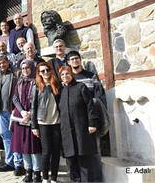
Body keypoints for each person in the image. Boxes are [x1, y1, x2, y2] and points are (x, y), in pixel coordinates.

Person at [66, 51, 106, 182]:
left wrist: (94, 120)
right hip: (76, 124)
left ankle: (97, 179)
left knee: (94, 152)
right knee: (79, 153)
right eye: (72, 59)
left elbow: (99, 97)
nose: (75, 61)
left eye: (76, 58)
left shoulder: (91, 76)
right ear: (68, 62)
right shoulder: (69, 79)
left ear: (80, 59)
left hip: (90, 121)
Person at [59, 66, 98, 182]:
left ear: (72, 74)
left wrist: (92, 123)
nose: (65, 76)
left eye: (67, 74)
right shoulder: (61, 91)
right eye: (62, 74)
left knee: (83, 159)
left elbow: (90, 106)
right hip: (66, 131)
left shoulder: (81, 87)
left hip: (81, 129)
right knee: (71, 160)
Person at [12, 60, 42, 181]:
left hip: (33, 116)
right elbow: (15, 98)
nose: (25, 70)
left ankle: (37, 172)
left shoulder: (37, 81)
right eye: (23, 68)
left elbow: (40, 99)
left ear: (32, 68)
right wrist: (23, 111)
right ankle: (28, 171)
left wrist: (30, 113)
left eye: (27, 67)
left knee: (33, 146)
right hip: (21, 117)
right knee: (23, 146)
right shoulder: (19, 82)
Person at [0, 55, 23, 174]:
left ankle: (19, 164)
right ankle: (10, 162)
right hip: (1, 111)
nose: (1, 65)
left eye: (3, 63)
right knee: (5, 137)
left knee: (16, 137)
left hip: (13, 110)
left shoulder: (16, 73)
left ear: (8, 62)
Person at [32, 62, 61, 183]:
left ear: (51, 71)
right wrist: (34, 126)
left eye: (47, 70)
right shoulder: (37, 87)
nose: (45, 73)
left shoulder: (57, 85)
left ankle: (53, 178)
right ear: (39, 73)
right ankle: (45, 178)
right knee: (46, 151)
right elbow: (33, 107)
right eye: (42, 71)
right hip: (43, 123)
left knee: (56, 151)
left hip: (56, 122)